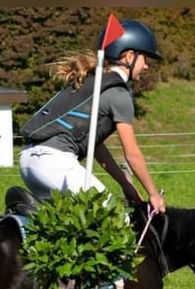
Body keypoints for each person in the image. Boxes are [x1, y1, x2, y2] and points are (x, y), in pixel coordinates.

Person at [18, 19, 167, 214]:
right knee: (112, 216)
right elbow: (132, 154)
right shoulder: (119, 94)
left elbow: (95, 146)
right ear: (129, 56)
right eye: (145, 59)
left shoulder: (92, 81)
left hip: (28, 162)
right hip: (54, 163)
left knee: (66, 224)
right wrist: (154, 194)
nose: (146, 66)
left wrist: (125, 184)